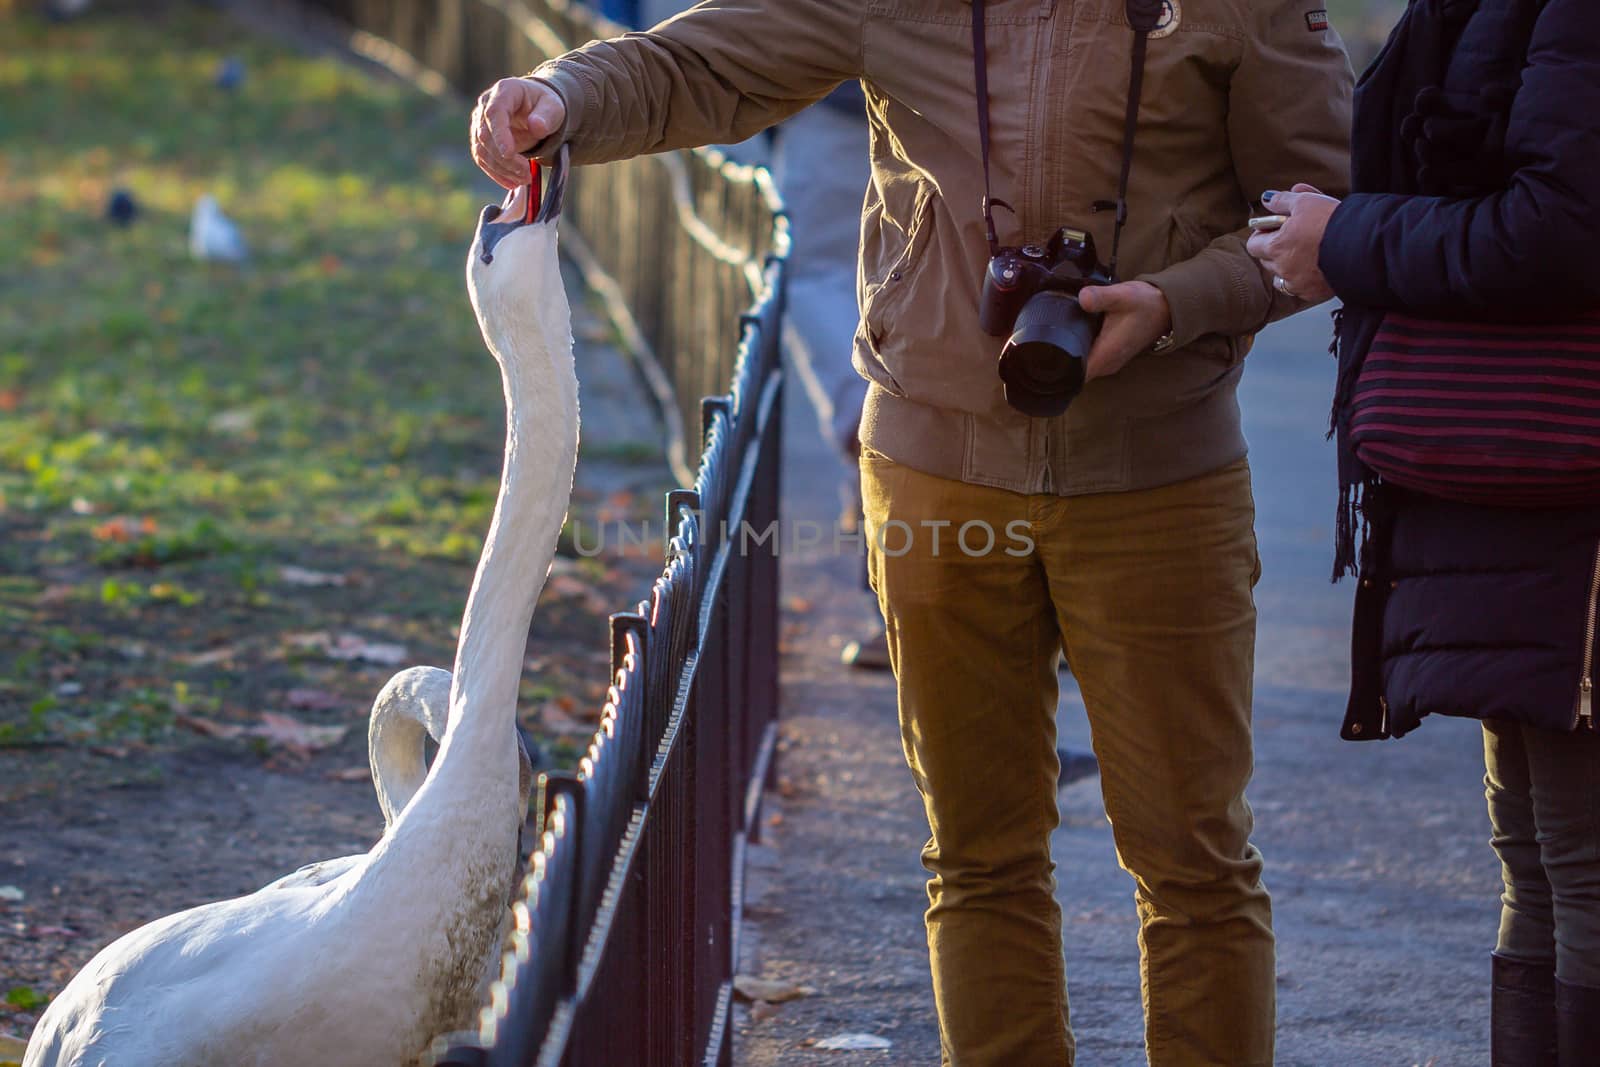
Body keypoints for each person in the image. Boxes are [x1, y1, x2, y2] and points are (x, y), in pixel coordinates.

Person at [471, 2, 1351, 1062]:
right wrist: (562, 95)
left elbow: (1317, 218)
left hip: (1161, 474)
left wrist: (1171, 301)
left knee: (1193, 863)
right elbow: (706, 62)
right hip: (930, 471)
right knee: (978, 856)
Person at [1247, 0, 1600, 1062]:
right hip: (1510, 473)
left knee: (1577, 860)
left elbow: (1558, 227)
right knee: (1536, 852)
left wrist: (1344, 239)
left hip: (1555, 464)